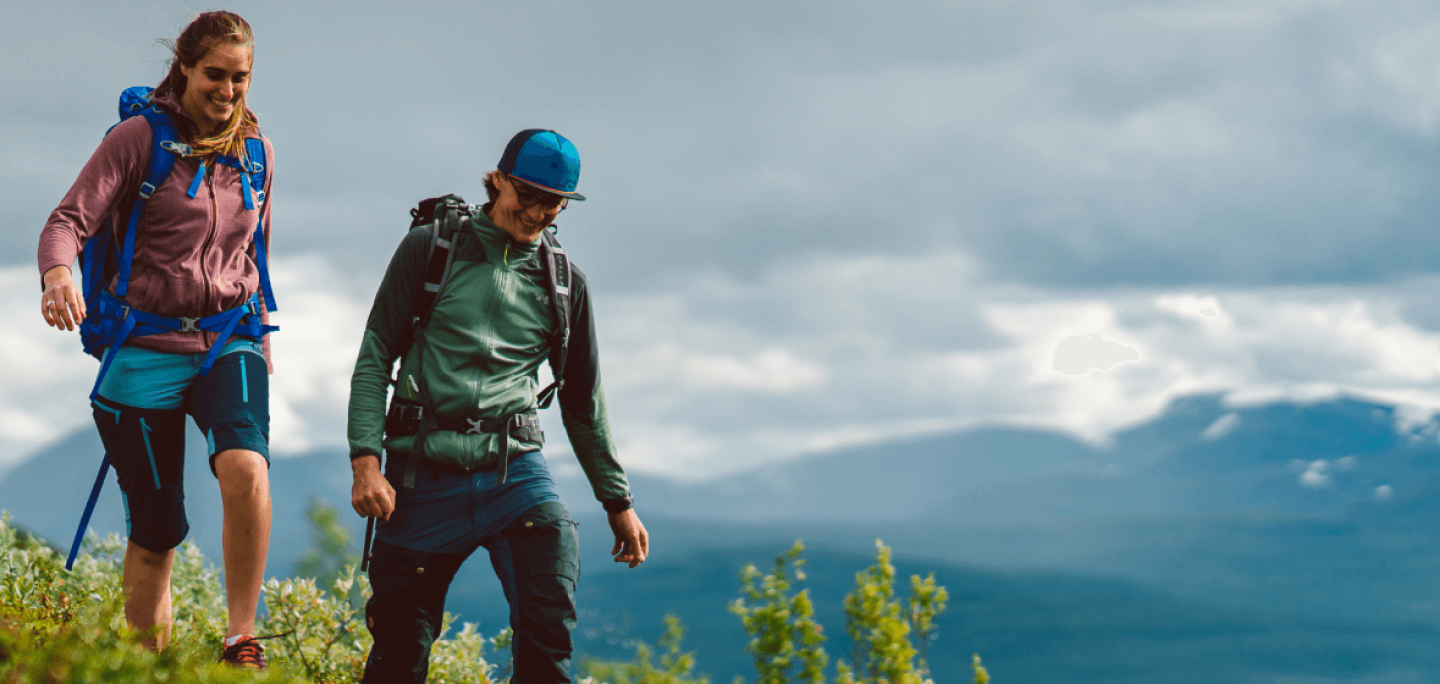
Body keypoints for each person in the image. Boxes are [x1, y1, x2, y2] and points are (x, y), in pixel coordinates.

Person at [348, 129, 648, 683]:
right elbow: (375, 356)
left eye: (553, 202)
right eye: (527, 194)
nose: (536, 212)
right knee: (398, 649)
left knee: (548, 619)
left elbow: (583, 401)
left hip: (513, 475)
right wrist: (366, 459)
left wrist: (617, 500)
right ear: (498, 181)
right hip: (420, 476)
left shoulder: (564, 285)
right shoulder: (432, 248)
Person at [36, 11, 279, 669]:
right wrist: (59, 274)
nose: (228, 92)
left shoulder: (257, 153)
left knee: (246, 464)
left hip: (230, 336)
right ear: (185, 67)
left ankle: (241, 639)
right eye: (215, 76)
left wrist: (262, 334)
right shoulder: (139, 139)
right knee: (157, 532)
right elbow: (67, 220)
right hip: (143, 348)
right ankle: (146, 667)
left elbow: (255, 250)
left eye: (241, 78)